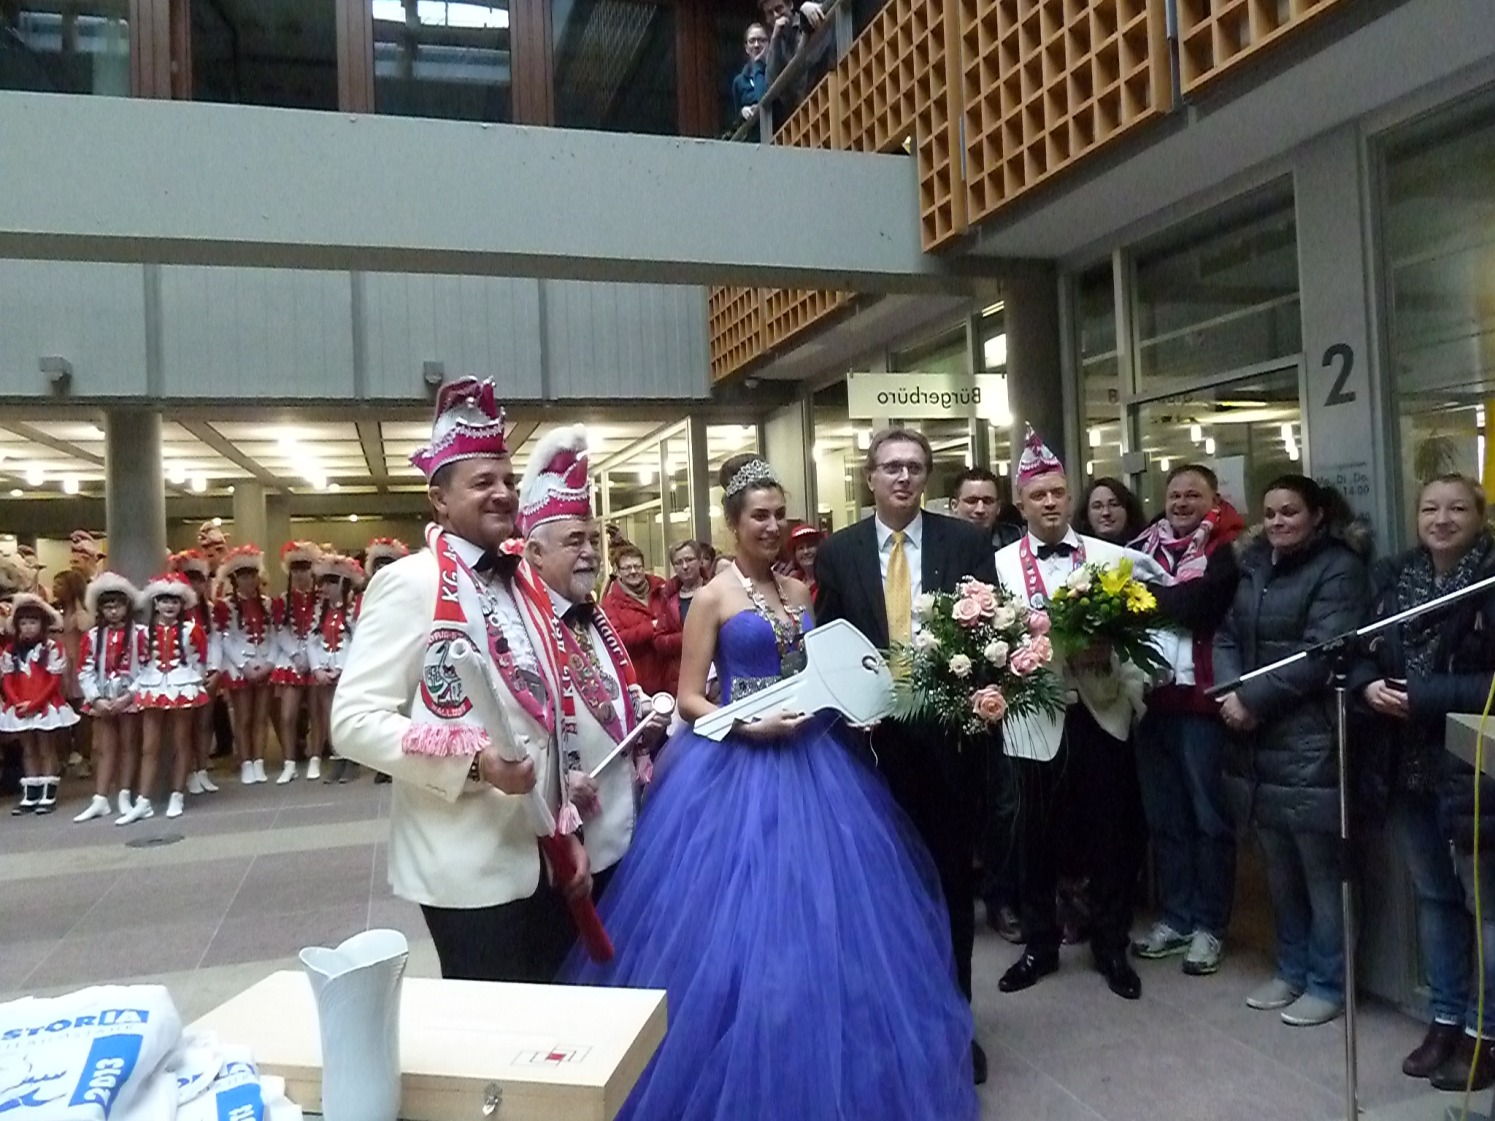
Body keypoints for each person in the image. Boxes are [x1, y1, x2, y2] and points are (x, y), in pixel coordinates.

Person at [566, 451, 979, 1121]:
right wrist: (743, 723)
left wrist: (850, 704)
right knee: (736, 919)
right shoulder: (713, 596)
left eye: (778, 513)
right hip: (737, 768)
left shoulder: (797, 592)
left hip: (817, 762)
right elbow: (689, 696)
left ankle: (833, 1050)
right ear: (732, 523)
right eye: (758, 514)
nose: (771, 524)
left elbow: (823, 672)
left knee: (829, 914)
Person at [330, 377, 590, 984]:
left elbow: (544, 719)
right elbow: (353, 722)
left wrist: (565, 832)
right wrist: (475, 764)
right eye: (482, 483)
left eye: (507, 480)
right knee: (494, 1047)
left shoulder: (525, 583)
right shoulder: (412, 584)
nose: (502, 493)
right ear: (439, 500)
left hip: (542, 855)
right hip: (465, 869)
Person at [814, 425, 998, 1083]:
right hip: (871, 750)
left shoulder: (967, 542)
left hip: (947, 747)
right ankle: (891, 1021)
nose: (902, 477)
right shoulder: (837, 553)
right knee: (881, 891)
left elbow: (986, 635)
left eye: (915, 467)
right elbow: (829, 643)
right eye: (890, 466)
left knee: (950, 887)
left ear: (926, 477)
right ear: (868, 476)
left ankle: (955, 1024)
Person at [993, 426, 1160, 1002]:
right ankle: (1039, 943)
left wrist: (1112, 649)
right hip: (1034, 716)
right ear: (1021, 503)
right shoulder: (997, 568)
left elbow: (1150, 624)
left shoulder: (1113, 559)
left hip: (1101, 711)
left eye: (1059, 493)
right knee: (1032, 836)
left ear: (1071, 496)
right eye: (1038, 495)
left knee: (1112, 833)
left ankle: (1112, 944)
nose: (1050, 503)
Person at [1353, 473, 1495, 1087]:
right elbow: (1359, 647)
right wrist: (1366, 685)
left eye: (1457, 508)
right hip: (1404, 762)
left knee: (1484, 906)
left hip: (1474, 766)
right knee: (1435, 898)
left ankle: (1483, 1031)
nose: (1442, 519)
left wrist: (1425, 697)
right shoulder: (1393, 576)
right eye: (1431, 508)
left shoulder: (1491, 579)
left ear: (1479, 516)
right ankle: (1444, 1017)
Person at [1214, 474, 1368, 1027]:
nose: (1278, 522)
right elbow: (1228, 634)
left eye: (1290, 513)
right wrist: (1232, 693)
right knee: (1279, 867)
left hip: (1310, 740)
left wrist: (1250, 700)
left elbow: (1321, 653)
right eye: (1271, 512)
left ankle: (1328, 982)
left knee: (1321, 873)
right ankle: (1292, 968)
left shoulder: (1339, 569)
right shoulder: (1255, 563)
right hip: (1257, 742)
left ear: (1318, 516)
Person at [519, 426, 670, 898]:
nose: (589, 553)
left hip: (623, 825)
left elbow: (612, 689)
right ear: (535, 553)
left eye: (592, 540)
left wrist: (643, 709)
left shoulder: (592, 615)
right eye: (574, 541)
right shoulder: (524, 625)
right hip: (567, 841)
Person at [1128, 463, 1245, 976]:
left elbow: (1201, 606)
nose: (1180, 503)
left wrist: (1149, 600)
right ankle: (1176, 918)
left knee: (1208, 821)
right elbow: (1116, 605)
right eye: (1174, 495)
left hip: (1202, 703)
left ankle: (1210, 926)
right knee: (1166, 820)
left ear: (1213, 497)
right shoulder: (1142, 545)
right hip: (1150, 701)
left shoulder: (1228, 546)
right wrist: (1165, 602)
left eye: (1192, 494)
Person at [947, 464, 1025, 943]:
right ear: (955, 504)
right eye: (970, 501)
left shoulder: (1015, 554)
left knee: (1005, 803)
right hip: (950, 696)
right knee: (960, 804)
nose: (979, 508)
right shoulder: (941, 549)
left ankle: (1001, 898)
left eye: (987, 501)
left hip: (1006, 696)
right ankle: (957, 901)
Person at [128, 573, 212, 823]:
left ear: (182, 604)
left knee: (181, 742)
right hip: (152, 685)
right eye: (164, 600)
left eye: (174, 601)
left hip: (182, 685)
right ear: (155, 602)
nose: (169, 606)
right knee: (149, 745)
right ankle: (144, 801)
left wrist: (191, 682)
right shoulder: (143, 632)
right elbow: (139, 664)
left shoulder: (191, 630)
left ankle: (178, 795)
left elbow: (200, 661)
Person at [3, 592, 79, 816]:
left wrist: (35, 703)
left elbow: (54, 681)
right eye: (23, 623)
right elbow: (7, 680)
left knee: (46, 747)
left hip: (45, 704)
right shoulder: (11, 651)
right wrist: (17, 702)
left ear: (43, 624)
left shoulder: (53, 648)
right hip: (20, 705)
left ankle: (48, 792)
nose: (28, 627)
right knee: (27, 748)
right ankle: (31, 793)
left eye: (33, 622)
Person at [74, 573, 141, 824]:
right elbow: (84, 669)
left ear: (127, 606)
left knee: (129, 745)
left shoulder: (140, 633)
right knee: (103, 749)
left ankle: (124, 795)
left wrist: (129, 695)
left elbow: (146, 668)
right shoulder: (92, 637)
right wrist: (96, 698)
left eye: (118, 605)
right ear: (100, 609)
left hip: (129, 696)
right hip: (102, 697)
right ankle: (100, 798)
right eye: (108, 606)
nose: (113, 611)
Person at [214, 546, 276, 785]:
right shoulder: (224, 606)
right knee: (243, 718)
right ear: (234, 579)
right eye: (242, 575)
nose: (248, 580)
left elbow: (273, 636)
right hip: (239, 668)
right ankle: (246, 762)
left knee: (261, 718)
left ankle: (258, 761)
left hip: (264, 666)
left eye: (251, 574)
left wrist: (269, 663)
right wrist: (244, 666)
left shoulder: (268, 604)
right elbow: (225, 638)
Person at [172, 550, 222, 798]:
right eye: (189, 579)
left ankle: (202, 769)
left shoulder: (209, 610)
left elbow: (215, 641)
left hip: (206, 674)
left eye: (199, 579)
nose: (194, 584)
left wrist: (214, 671)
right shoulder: (173, 611)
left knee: (204, 724)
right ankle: (189, 771)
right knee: (186, 727)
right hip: (183, 676)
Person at [310, 553, 362, 784]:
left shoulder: (353, 612)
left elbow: (360, 642)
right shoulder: (318, 612)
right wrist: (317, 669)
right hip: (325, 671)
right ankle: (337, 758)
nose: (326, 588)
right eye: (324, 582)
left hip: (347, 670)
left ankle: (352, 759)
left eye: (332, 582)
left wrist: (343, 669)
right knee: (330, 716)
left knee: (349, 714)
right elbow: (310, 643)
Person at [272, 541, 323, 783]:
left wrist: (310, 657)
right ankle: (289, 762)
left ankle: (315, 758)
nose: (301, 573)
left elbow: (319, 629)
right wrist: (295, 654)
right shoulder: (283, 600)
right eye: (296, 568)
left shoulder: (321, 597)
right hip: (290, 659)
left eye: (305, 567)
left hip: (316, 657)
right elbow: (279, 631)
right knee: (287, 715)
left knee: (316, 711)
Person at [602, 545, 672, 696]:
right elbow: (616, 639)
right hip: (641, 683)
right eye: (627, 568)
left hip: (673, 676)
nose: (633, 571)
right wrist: (651, 627)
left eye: (637, 566)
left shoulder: (663, 588)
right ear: (618, 572)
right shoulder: (610, 603)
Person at [761, 0, 831, 124]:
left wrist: (805, 8)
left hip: (825, 98)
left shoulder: (808, 18)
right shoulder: (776, 44)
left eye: (779, 8)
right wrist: (774, 38)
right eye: (770, 13)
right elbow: (770, 82)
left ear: (790, 5)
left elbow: (808, 60)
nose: (776, 16)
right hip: (800, 117)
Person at [656, 540, 703, 695]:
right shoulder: (669, 600)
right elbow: (659, 641)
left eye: (689, 560)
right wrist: (688, 637)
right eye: (678, 562)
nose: (684, 566)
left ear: (700, 560)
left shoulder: (716, 589)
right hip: (683, 678)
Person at [950, 465, 1023, 550]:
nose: (980, 510)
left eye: (987, 501)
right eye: (972, 501)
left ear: (998, 507)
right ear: (954, 506)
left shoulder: (1016, 543)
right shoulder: (939, 544)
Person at [1076, 476, 1146, 544]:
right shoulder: (1074, 553)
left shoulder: (1147, 549)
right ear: (1086, 514)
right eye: (1097, 507)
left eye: (1114, 504)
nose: (1106, 512)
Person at [732, 22, 770, 124]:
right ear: (746, 47)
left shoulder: (774, 71)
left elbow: (764, 100)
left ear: (769, 44)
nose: (757, 45)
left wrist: (758, 64)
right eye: (752, 41)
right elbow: (735, 119)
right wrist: (742, 112)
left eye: (761, 40)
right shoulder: (739, 82)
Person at [782, 523, 822, 596]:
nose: (806, 551)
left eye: (810, 546)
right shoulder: (792, 581)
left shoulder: (828, 579)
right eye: (801, 548)